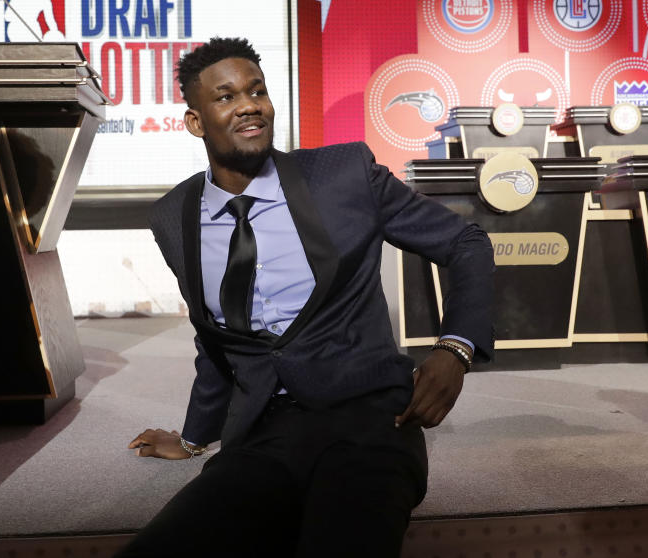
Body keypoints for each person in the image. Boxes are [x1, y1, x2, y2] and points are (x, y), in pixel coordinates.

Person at [120, 37, 494, 558]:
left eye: (258, 91)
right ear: (195, 122)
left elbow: (465, 242)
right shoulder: (172, 216)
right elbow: (217, 339)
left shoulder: (343, 175)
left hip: (372, 422)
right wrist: (193, 438)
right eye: (226, 97)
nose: (249, 104)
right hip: (263, 434)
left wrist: (456, 348)